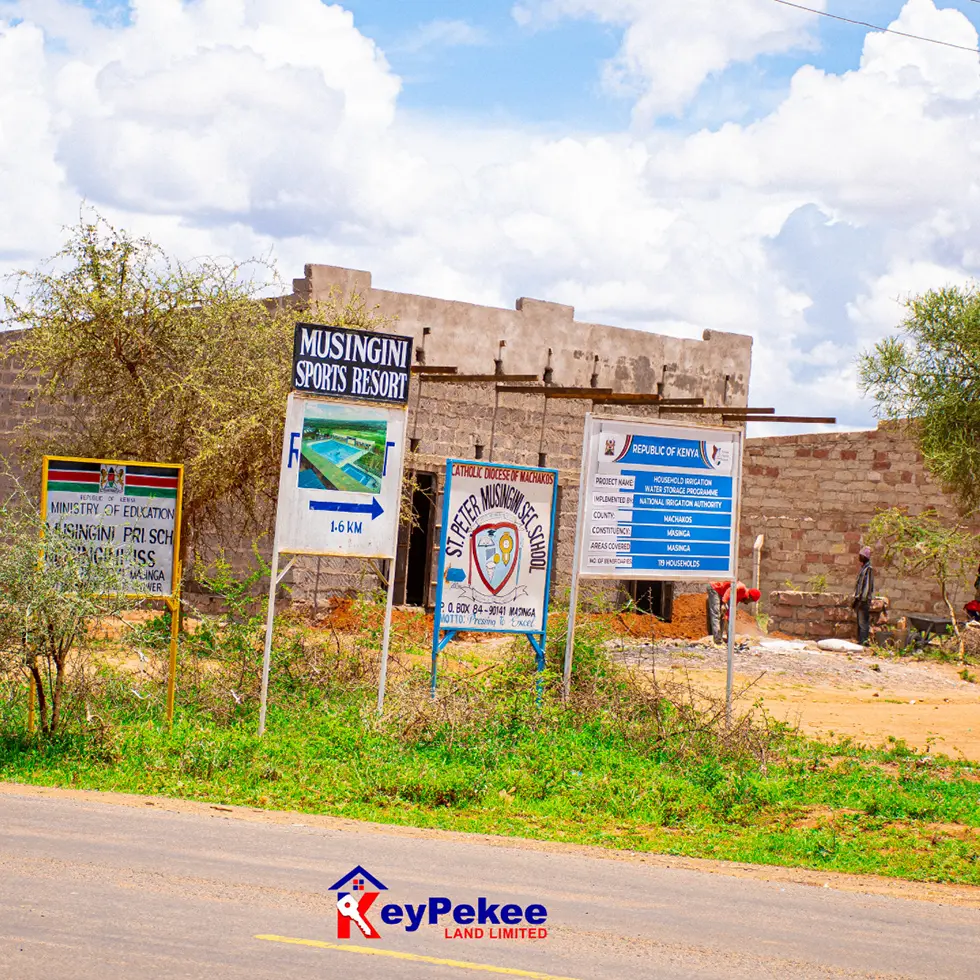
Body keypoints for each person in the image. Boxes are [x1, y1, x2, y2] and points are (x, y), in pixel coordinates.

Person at [853, 546, 875, 646]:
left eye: (861, 556)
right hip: (860, 599)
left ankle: (864, 642)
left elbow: (867, 586)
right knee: (860, 622)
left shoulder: (868, 569)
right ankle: (860, 641)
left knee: (863, 623)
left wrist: (862, 599)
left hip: (864, 600)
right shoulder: (864, 569)